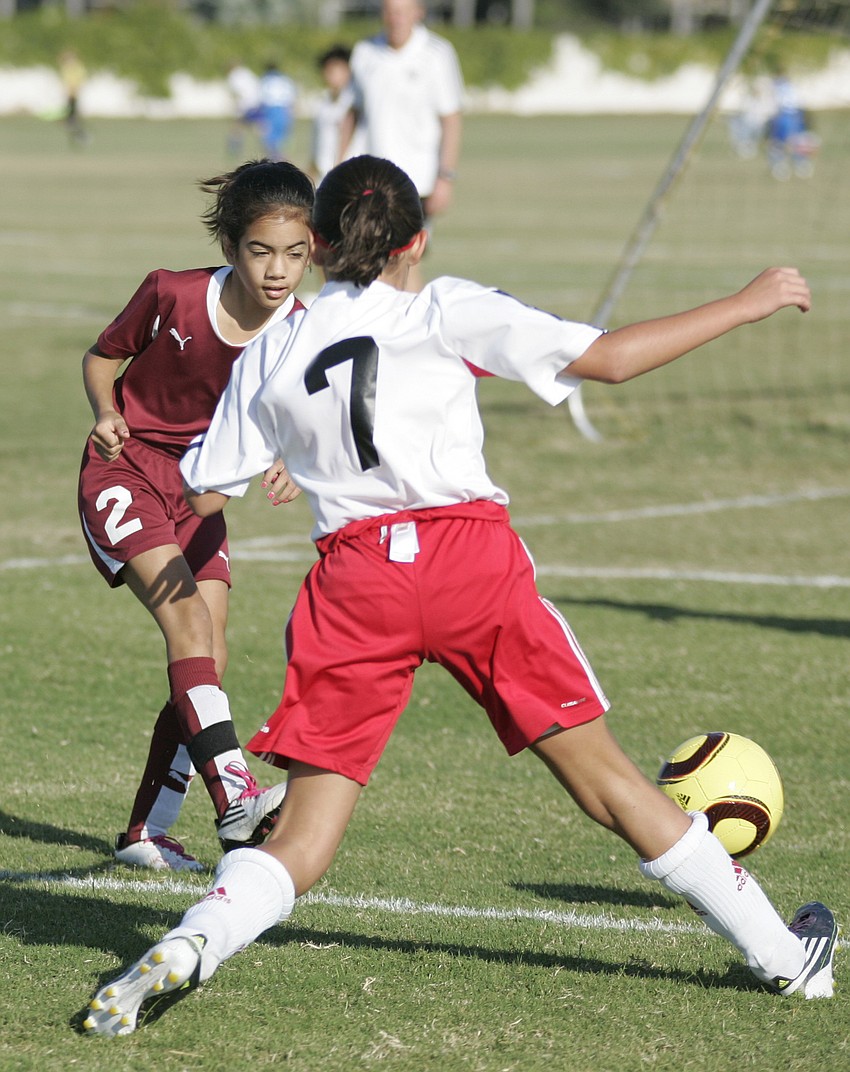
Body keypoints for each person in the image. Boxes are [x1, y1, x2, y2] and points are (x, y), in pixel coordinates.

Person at [82, 155, 837, 1036]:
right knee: (608, 779)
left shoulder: (281, 340)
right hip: (467, 560)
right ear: (418, 241)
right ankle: (788, 958)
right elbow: (614, 360)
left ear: (317, 247)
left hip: (353, 581)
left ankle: (197, 940)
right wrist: (749, 300)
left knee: (303, 836)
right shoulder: (445, 307)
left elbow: (212, 471)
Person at [77, 159, 314, 873]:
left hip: (199, 497)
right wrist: (107, 411)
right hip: (124, 473)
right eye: (261, 251)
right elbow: (100, 358)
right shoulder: (171, 294)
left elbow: (304, 419)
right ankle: (236, 795)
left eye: (297, 254)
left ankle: (147, 831)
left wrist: (291, 461)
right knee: (187, 628)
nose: (278, 271)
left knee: (208, 655)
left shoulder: (304, 329)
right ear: (230, 247)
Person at [338, 0, 464, 289]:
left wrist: (446, 177)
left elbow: (451, 119)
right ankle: (392, 324)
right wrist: (337, 166)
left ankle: (408, 325)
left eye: (402, 11)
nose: (395, 18)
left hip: (415, 179)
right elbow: (352, 114)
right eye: (390, 10)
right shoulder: (365, 52)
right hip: (369, 175)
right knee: (372, 255)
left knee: (402, 254)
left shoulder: (437, 53)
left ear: (418, 12)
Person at [309, 45, 365, 184]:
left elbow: (348, 129)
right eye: (327, 70)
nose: (329, 74)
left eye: (335, 69)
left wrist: (338, 165)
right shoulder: (323, 101)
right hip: (324, 172)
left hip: (346, 173)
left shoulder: (354, 98)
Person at [258, 61, 298, 162]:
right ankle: (281, 160)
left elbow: (261, 97)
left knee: (270, 140)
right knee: (281, 139)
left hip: (270, 110)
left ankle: (277, 161)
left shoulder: (265, 79)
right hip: (284, 110)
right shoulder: (285, 79)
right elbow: (292, 96)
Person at [225, 61, 263, 158]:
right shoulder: (247, 72)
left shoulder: (233, 76)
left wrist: (236, 107)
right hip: (256, 102)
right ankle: (272, 147)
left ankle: (233, 151)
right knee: (257, 127)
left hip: (245, 104)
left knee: (238, 127)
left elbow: (237, 93)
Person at [58, 49, 88, 147]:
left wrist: (75, 88)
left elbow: (80, 79)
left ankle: (78, 132)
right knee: (70, 112)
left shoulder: (78, 68)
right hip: (69, 93)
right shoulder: (66, 68)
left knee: (72, 113)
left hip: (74, 93)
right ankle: (72, 125)